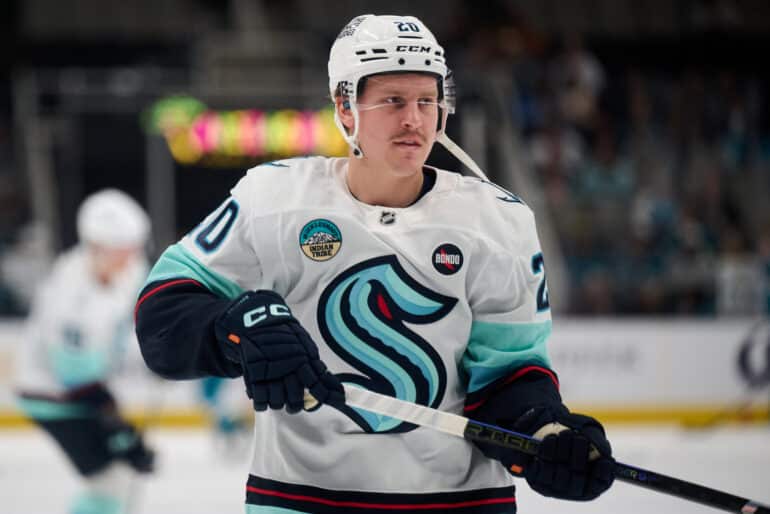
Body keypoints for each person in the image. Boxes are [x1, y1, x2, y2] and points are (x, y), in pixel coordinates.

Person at [135, 14, 615, 513]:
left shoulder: (497, 222)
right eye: (393, 101)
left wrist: (546, 434)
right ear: (345, 107)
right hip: (301, 500)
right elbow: (162, 318)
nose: (414, 119)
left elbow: (509, 378)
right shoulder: (272, 199)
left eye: (427, 101)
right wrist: (234, 328)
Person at [15, 189, 155, 514]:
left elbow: (142, 308)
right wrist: (119, 428)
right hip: (50, 396)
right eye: (121, 251)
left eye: (133, 249)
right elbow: (73, 374)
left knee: (115, 479)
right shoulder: (68, 293)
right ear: (95, 247)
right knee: (110, 480)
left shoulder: (126, 270)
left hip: (82, 391)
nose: (130, 259)